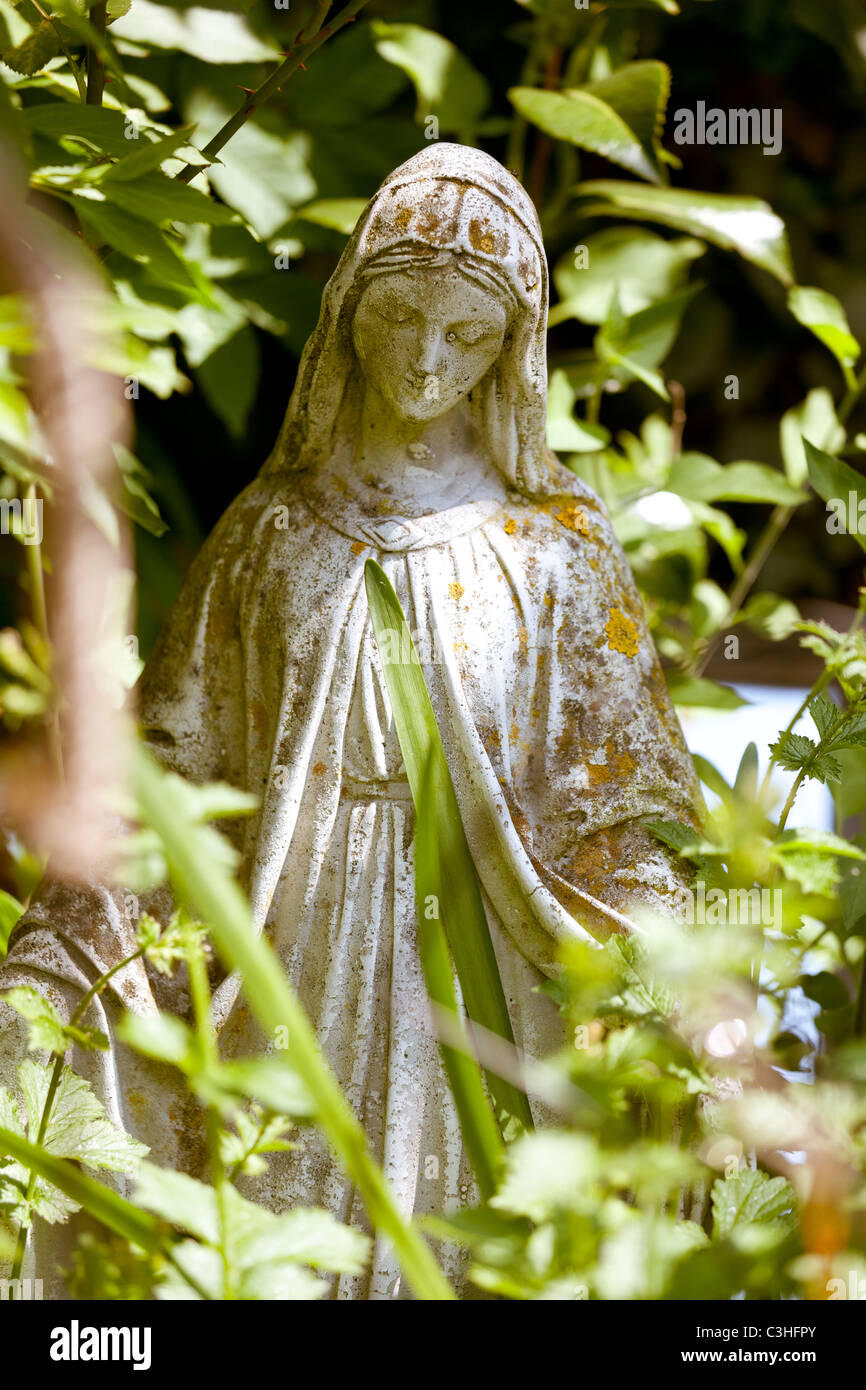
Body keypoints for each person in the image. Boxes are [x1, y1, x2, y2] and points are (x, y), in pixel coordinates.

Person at [0, 143, 700, 1298]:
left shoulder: (556, 556)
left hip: (483, 965)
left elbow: (625, 805)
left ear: (509, 350)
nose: (426, 360)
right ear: (348, 310)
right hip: (296, 931)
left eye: (465, 334)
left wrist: (670, 966)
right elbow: (174, 782)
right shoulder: (270, 537)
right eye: (401, 317)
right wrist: (68, 951)